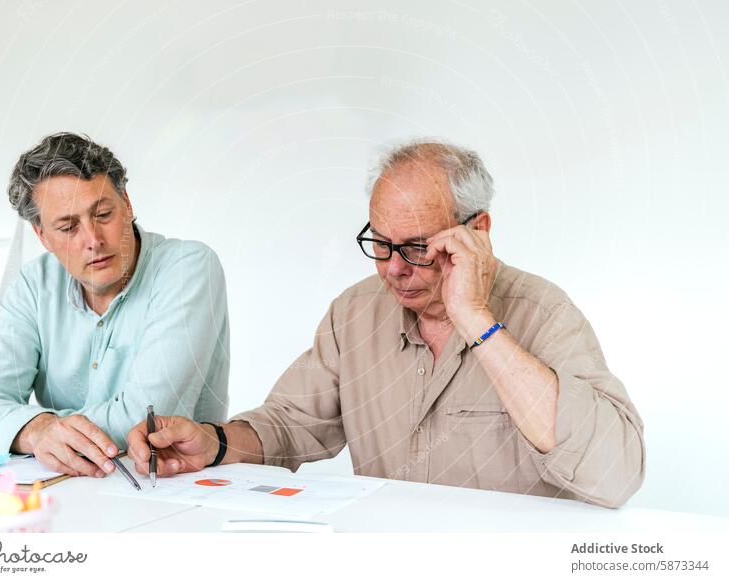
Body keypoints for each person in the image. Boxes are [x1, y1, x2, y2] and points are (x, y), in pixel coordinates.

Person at [127, 140, 644, 508]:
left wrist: (476, 320)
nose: (394, 268)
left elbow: (615, 474)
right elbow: (288, 424)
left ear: (478, 230)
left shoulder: (544, 312)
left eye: (419, 247)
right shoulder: (355, 312)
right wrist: (213, 443)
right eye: (380, 243)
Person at [0, 132, 229, 478]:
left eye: (103, 214)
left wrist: (34, 427)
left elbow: (146, 422)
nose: (93, 240)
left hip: (171, 489)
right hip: (66, 490)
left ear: (127, 204)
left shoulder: (188, 268)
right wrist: (36, 430)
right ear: (42, 236)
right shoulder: (33, 286)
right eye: (68, 227)